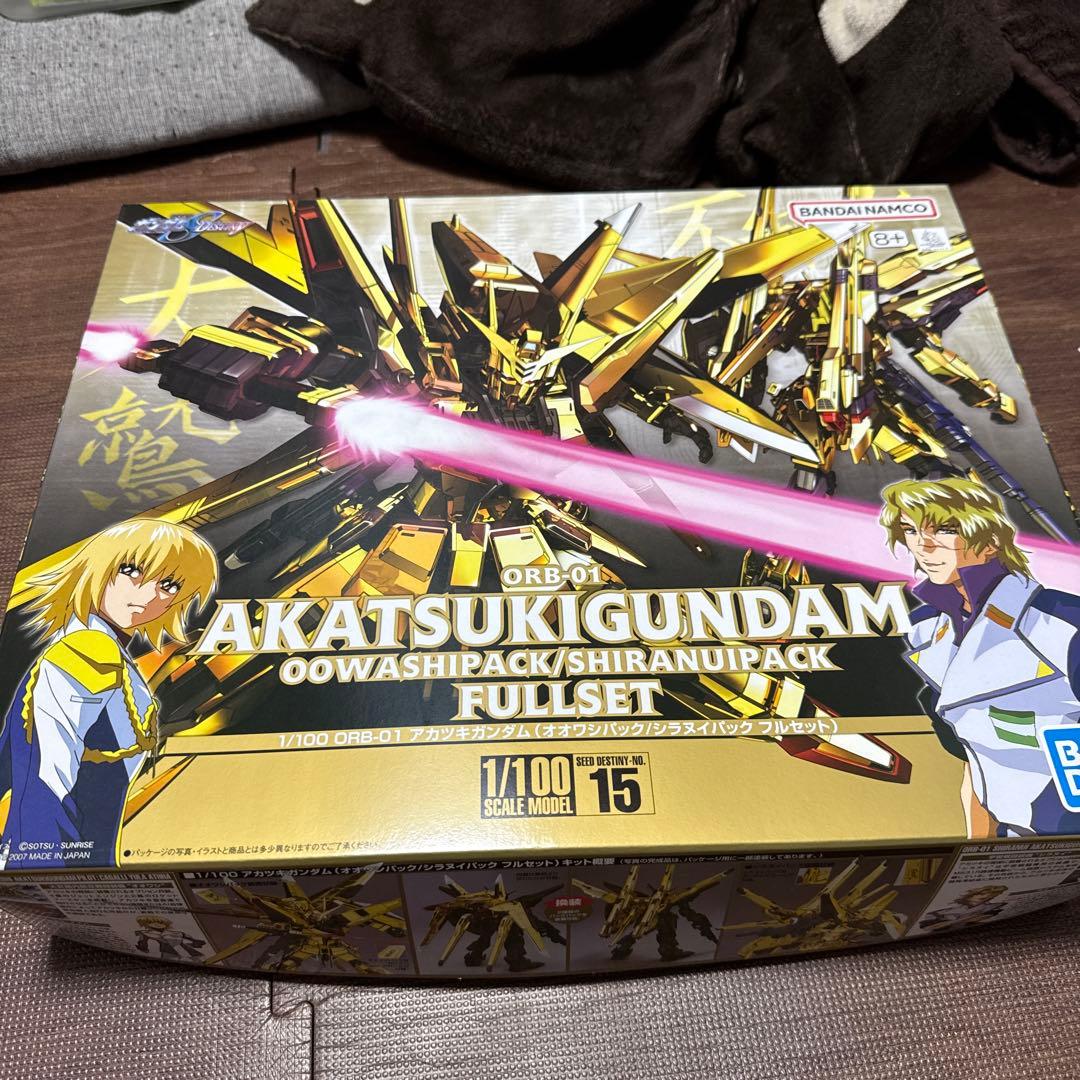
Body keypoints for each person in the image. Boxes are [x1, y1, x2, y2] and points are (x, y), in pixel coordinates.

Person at [0, 519, 217, 868]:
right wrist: (42, 861)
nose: (148, 596)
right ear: (97, 568)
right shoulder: (89, 650)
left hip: (74, 851)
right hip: (60, 853)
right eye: (131, 571)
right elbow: (49, 775)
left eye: (169, 585)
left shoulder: (106, 651)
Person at [880, 476, 1080, 838]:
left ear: (989, 541)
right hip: (1010, 839)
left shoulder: (1059, 620)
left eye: (944, 529)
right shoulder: (925, 631)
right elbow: (972, 752)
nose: (924, 545)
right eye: (910, 530)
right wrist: (978, 848)